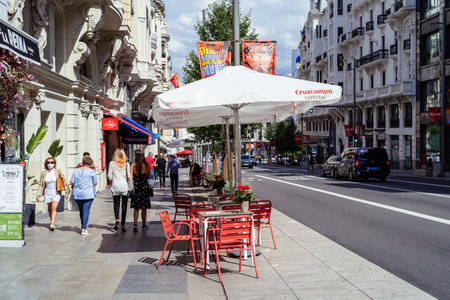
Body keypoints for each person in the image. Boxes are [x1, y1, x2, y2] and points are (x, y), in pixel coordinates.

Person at [36, 157, 68, 231]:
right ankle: (51, 221)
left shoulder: (58, 172)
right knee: (50, 208)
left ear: (54, 164)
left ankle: (52, 224)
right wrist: (38, 194)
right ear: (46, 164)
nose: (50, 164)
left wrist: (66, 192)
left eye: (52, 162)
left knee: (54, 207)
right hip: (47, 192)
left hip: (56, 192)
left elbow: (64, 182)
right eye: (48, 162)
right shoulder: (44, 173)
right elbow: (41, 184)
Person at [70, 156, 97, 235]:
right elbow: (95, 183)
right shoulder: (91, 172)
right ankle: (84, 229)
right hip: (88, 194)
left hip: (77, 194)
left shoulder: (76, 171)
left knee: (81, 210)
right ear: (90, 163)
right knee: (86, 210)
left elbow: (71, 182)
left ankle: (83, 225)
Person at [108, 148, 133, 232]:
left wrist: (113, 177)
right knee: (124, 205)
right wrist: (131, 187)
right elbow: (129, 176)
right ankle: (123, 225)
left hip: (115, 185)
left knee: (116, 204)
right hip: (124, 186)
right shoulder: (126, 164)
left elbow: (109, 177)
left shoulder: (112, 163)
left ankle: (117, 219)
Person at [130, 152, 152, 232]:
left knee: (136, 208)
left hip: (136, 188)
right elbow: (149, 176)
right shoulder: (147, 165)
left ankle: (135, 224)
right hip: (144, 188)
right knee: (144, 208)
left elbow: (131, 177)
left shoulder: (133, 165)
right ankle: (143, 224)